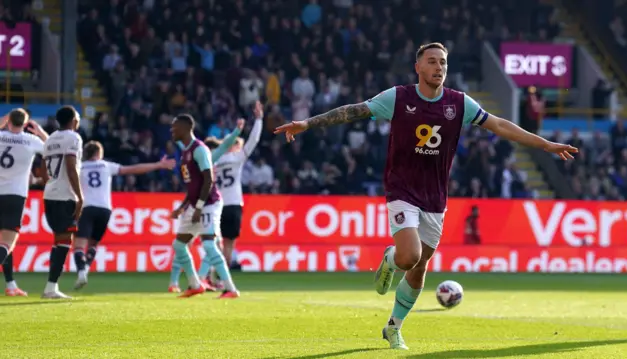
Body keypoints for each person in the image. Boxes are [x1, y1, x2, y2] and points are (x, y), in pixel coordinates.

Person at [274, 42, 578, 350]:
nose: (439, 68)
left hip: (435, 196)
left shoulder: (459, 104)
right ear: (418, 67)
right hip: (401, 188)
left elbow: (499, 125)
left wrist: (545, 145)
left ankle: (393, 327)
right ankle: (391, 260)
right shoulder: (398, 97)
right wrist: (307, 124)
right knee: (409, 256)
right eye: (432, 62)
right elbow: (352, 111)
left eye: (443, 63)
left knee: (420, 266)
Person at [73, 141, 176, 289]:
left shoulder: (80, 167)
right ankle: (87, 268)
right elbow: (133, 169)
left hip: (86, 207)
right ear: (99, 153)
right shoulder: (106, 166)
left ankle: (81, 270)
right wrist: (158, 165)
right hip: (104, 209)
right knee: (93, 244)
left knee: (78, 245)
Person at [168, 114, 242, 299]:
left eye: (174, 127)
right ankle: (195, 284)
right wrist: (183, 207)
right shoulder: (185, 152)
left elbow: (208, 180)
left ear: (185, 128)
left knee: (209, 244)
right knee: (179, 245)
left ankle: (231, 289)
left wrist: (199, 207)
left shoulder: (200, 150)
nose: (172, 131)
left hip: (209, 204)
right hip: (195, 204)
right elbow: (193, 186)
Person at [211, 101, 263, 283]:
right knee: (228, 246)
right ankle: (221, 280)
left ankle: (212, 276)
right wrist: (259, 120)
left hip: (216, 205)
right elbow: (253, 141)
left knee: (215, 244)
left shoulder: (214, 161)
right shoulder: (237, 158)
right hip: (233, 205)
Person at [0, 109, 48, 296]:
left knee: (3, 242)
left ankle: (11, 285)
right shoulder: (31, 140)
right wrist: (40, 131)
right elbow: (54, 147)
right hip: (15, 195)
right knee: (7, 243)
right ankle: (11, 284)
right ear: (26, 124)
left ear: (8, 121)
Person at [40, 106, 84, 299]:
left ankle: (51, 287)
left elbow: (42, 168)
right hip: (65, 195)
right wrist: (80, 196)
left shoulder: (50, 138)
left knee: (59, 241)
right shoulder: (73, 138)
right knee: (65, 241)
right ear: (74, 119)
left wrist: (51, 184)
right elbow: (71, 166)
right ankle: (51, 287)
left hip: (50, 194)